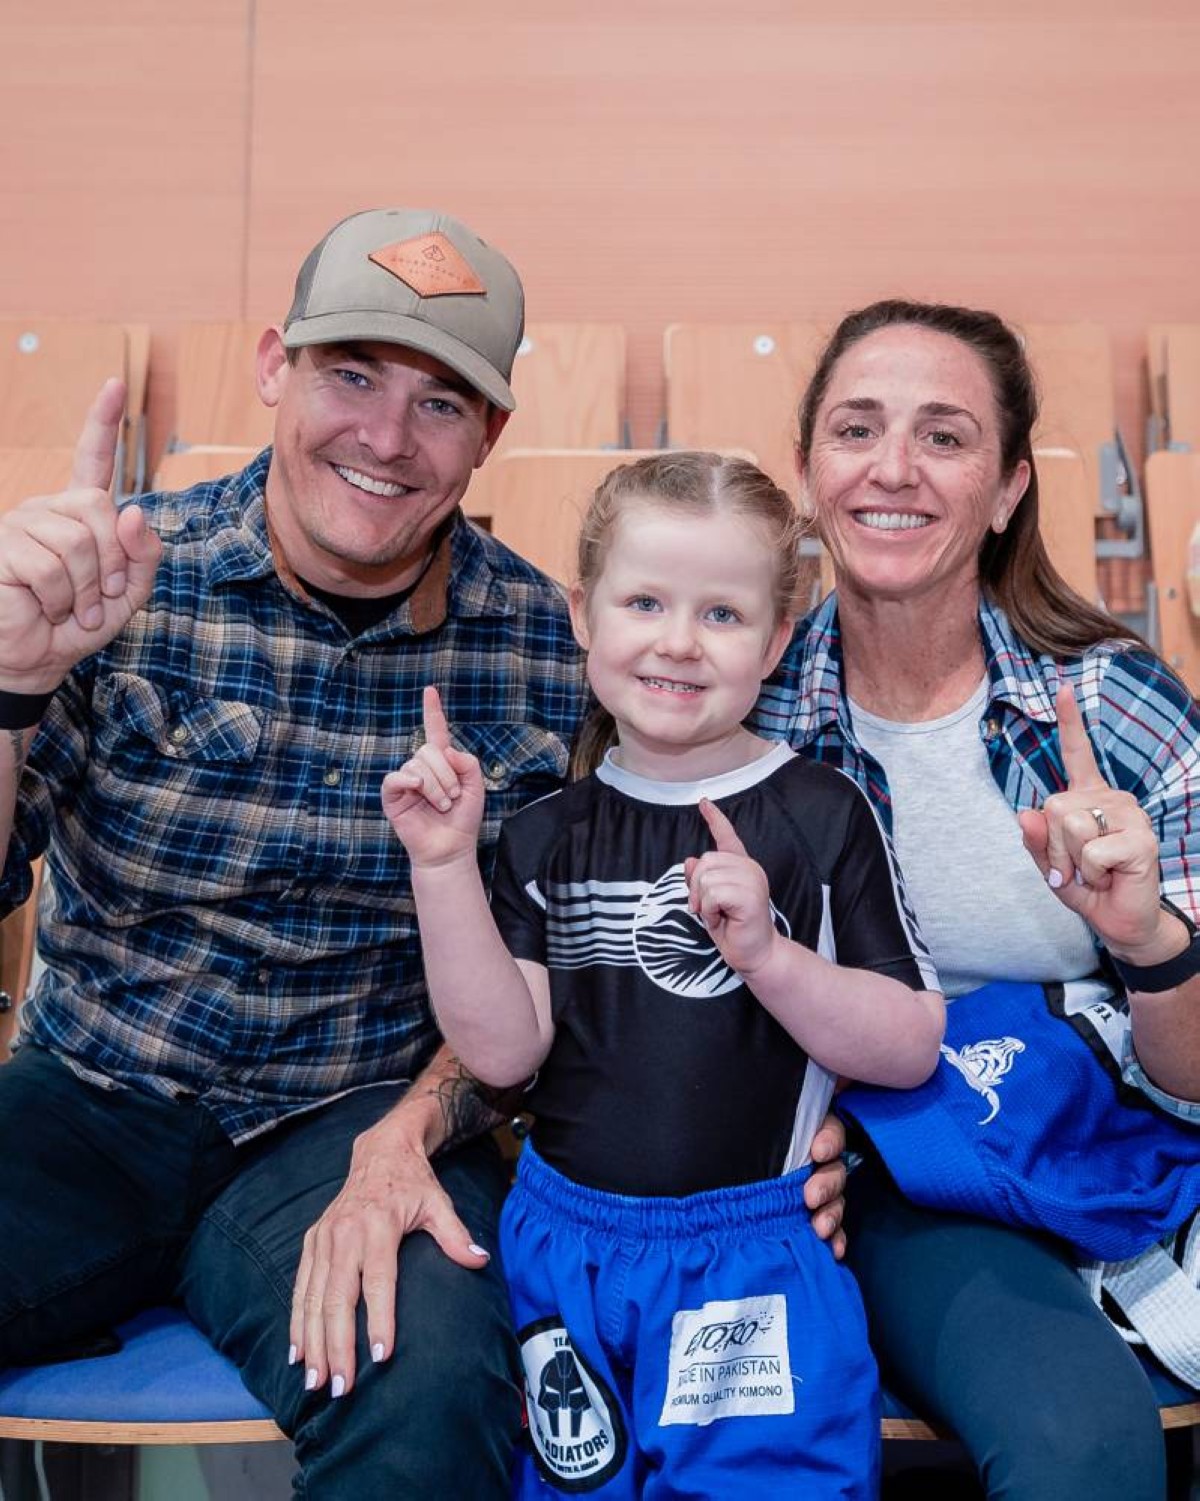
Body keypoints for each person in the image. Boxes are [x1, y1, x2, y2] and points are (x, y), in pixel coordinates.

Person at [0, 209, 847, 1498]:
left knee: (438, 1397)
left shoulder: (559, 650)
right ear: (275, 366)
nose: (388, 438)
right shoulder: (121, 578)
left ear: (489, 432)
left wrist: (409, 1134)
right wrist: (11, 685)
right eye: (351, 375)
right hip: (87, 1098)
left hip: (357, 1120)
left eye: (440, 403)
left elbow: (578, 963)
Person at [383, 451, 945, 1498]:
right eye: (645, 601)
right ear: (582, 614)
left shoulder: (822, 813)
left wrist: (770, 957)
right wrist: (443, 867)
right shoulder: (544, 831)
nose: (679, 641)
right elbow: (502, 1054)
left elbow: (910, 1046)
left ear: (776, 641)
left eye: (723, 614)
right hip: (565, 1252)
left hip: (752, 1262)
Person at [750, 298, 1200, 1500]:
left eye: (943, 437)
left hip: (1116, 1127)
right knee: (1081, 1447)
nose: (893, 468)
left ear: (1007, 490)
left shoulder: (1116, 707)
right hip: (902, 1168)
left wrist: (1147, 941)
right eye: (857, 430)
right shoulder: (744, 713)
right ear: (809, 469)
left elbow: (1197, 1071)